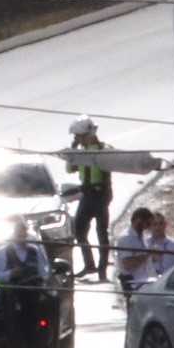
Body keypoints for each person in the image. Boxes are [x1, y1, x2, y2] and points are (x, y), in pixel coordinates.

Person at [0, 227, 51, 348]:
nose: (22, 237)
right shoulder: (3, 251)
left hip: (31, 298)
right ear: (14, 235)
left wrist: (41, 277)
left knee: (31, 334)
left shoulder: (35, 250)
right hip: (13, 299)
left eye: (24, 234)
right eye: (19, 234)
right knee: (14, 338)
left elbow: (44, 270)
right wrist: (11, 273)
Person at [64, 118, 115, 280]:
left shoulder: (102, 150)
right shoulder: (81, 153)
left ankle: (102, 271)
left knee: (101, 233)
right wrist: (72, 151)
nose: (77, 139)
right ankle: (90, 265)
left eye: (78, 136)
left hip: (100, 196)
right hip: (87, 196)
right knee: (79, 230)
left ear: (87, 134)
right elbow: (70, 169)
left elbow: (108, 170)